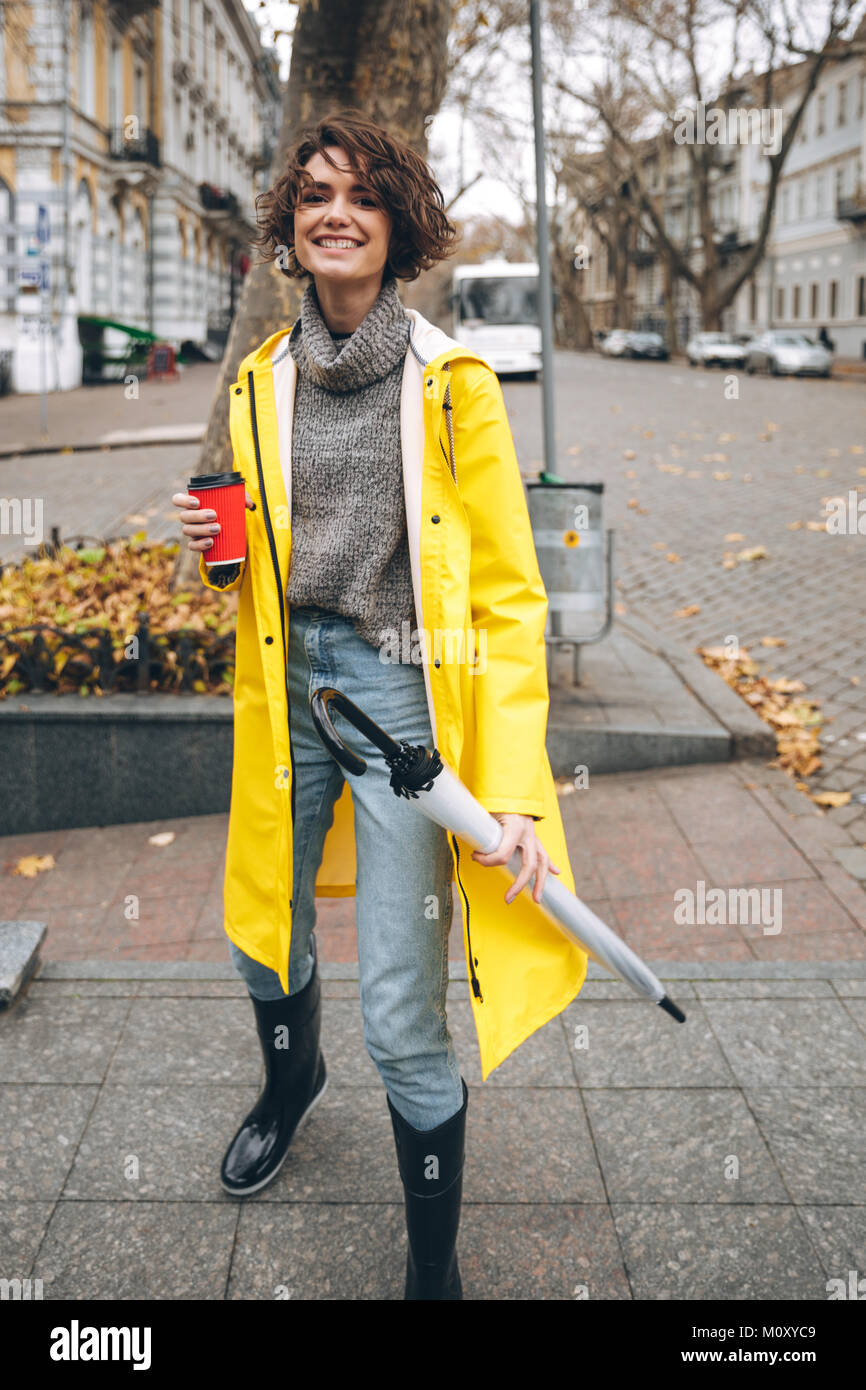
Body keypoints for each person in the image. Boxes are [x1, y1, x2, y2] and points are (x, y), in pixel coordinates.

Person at [172, 108, 587, 1300]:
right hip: (281, 679)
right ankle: (287, 1080)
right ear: (289, 232)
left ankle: (431, 1264)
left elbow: (510, 600)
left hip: (402, 698)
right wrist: (216, 551)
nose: (332, 212)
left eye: (358, 194)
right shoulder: (260, 381)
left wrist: (506, 792)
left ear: (396, 222)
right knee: (262, 919)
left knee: (402, 1005)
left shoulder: (454, 384)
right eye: (311, 196)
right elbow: (250, 548)